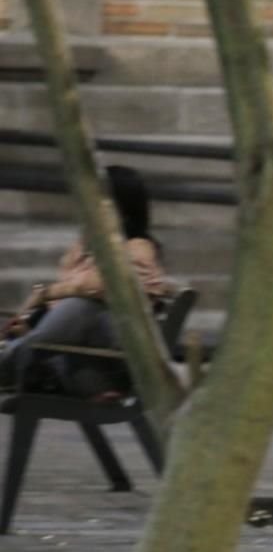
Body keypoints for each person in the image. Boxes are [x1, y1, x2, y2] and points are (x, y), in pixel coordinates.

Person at [0, 165, 171, 398]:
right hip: (78, 362)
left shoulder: (138, 248)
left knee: (82, 306)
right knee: (76, 308)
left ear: (122, 210)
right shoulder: (84, 248)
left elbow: (100, 285)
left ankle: (8, 364)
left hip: (117, 365)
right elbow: (61, 316)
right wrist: (31, 324)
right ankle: (17, 362)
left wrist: (49, 293)